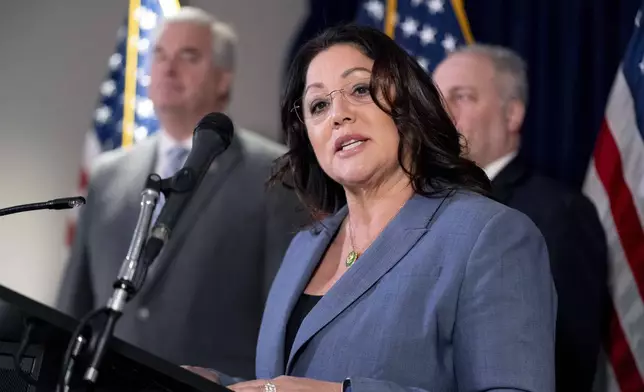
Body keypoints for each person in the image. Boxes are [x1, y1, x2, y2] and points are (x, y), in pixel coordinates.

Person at [188, 24, 557, 391]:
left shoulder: (490, 236)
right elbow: (287, 384)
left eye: (360, 89)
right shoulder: (305, 247)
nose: (338, 114)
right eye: (319, 105)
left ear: (409, 104)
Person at [56, 7, 308, 380]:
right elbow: (71, 309)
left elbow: (284, 319)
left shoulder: (274, 174)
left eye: (188, 55)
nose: (168, 68)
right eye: (159, 54)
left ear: (224, 78)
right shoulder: (108, 175)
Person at [433, 44, 608, 392]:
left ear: (512, 114)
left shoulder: (560, 213)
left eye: (462, 96)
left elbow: (566, 361)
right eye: (436, 99)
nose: (442, 112)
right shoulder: (421, 208)